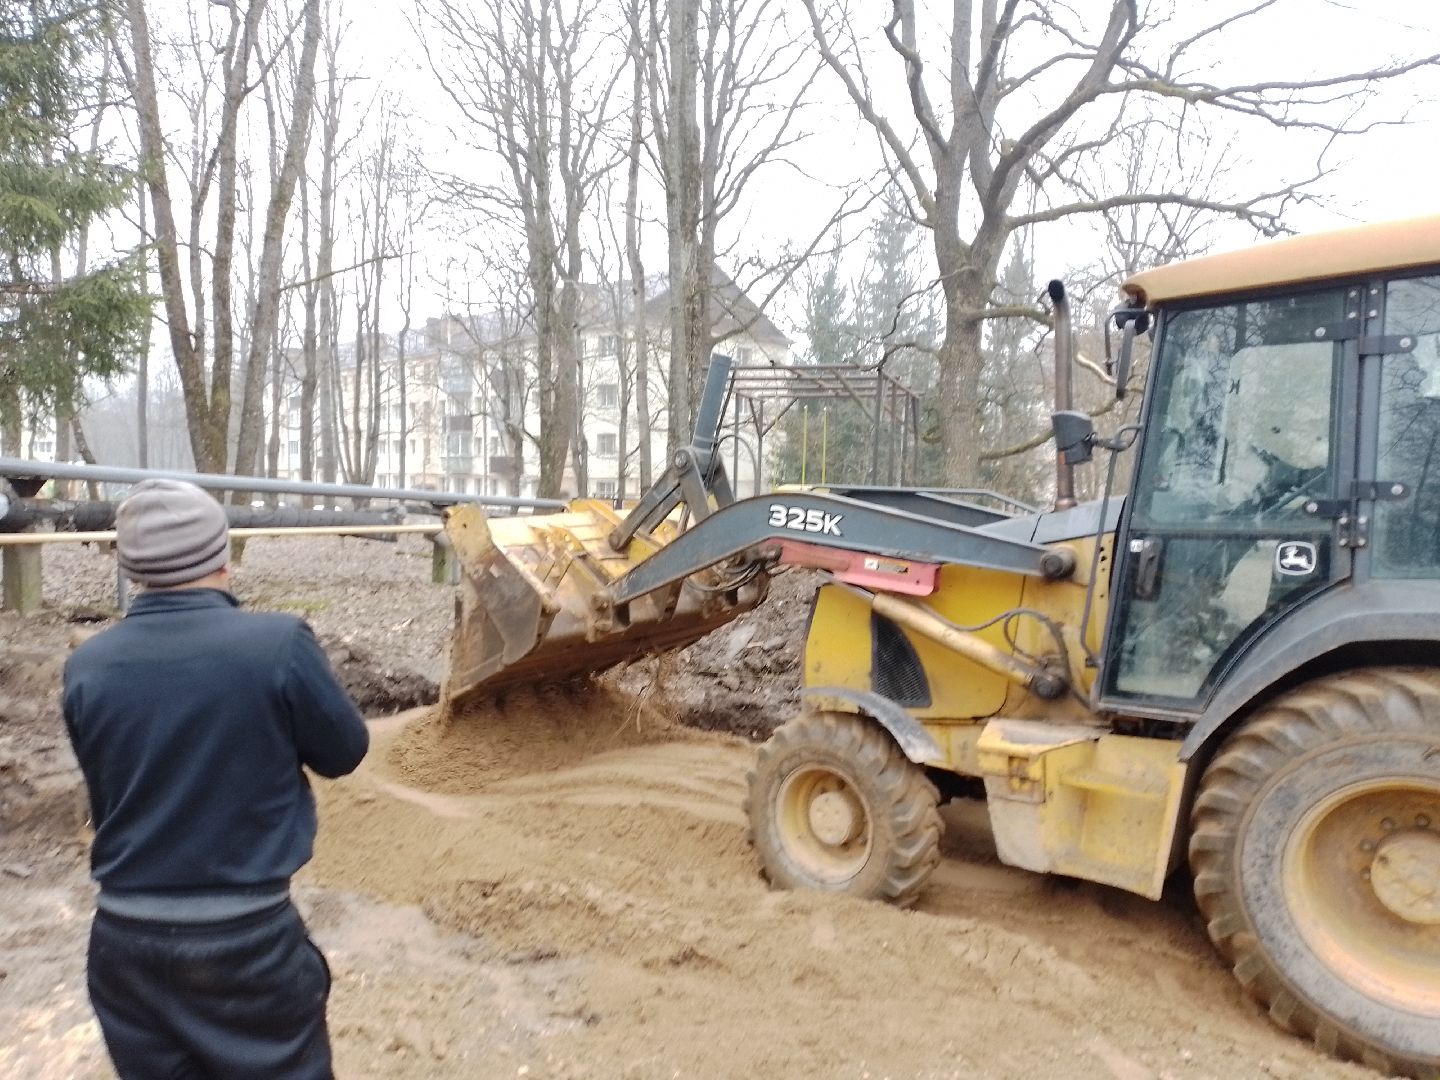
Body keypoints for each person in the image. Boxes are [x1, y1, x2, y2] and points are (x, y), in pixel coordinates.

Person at [62, 478, 369, 1079]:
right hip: (245, 941)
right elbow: (345, 752)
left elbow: (106, 788)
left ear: (130, 567)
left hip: (124, 944)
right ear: (222, 556)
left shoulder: (86, 666)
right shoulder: (277, 645)